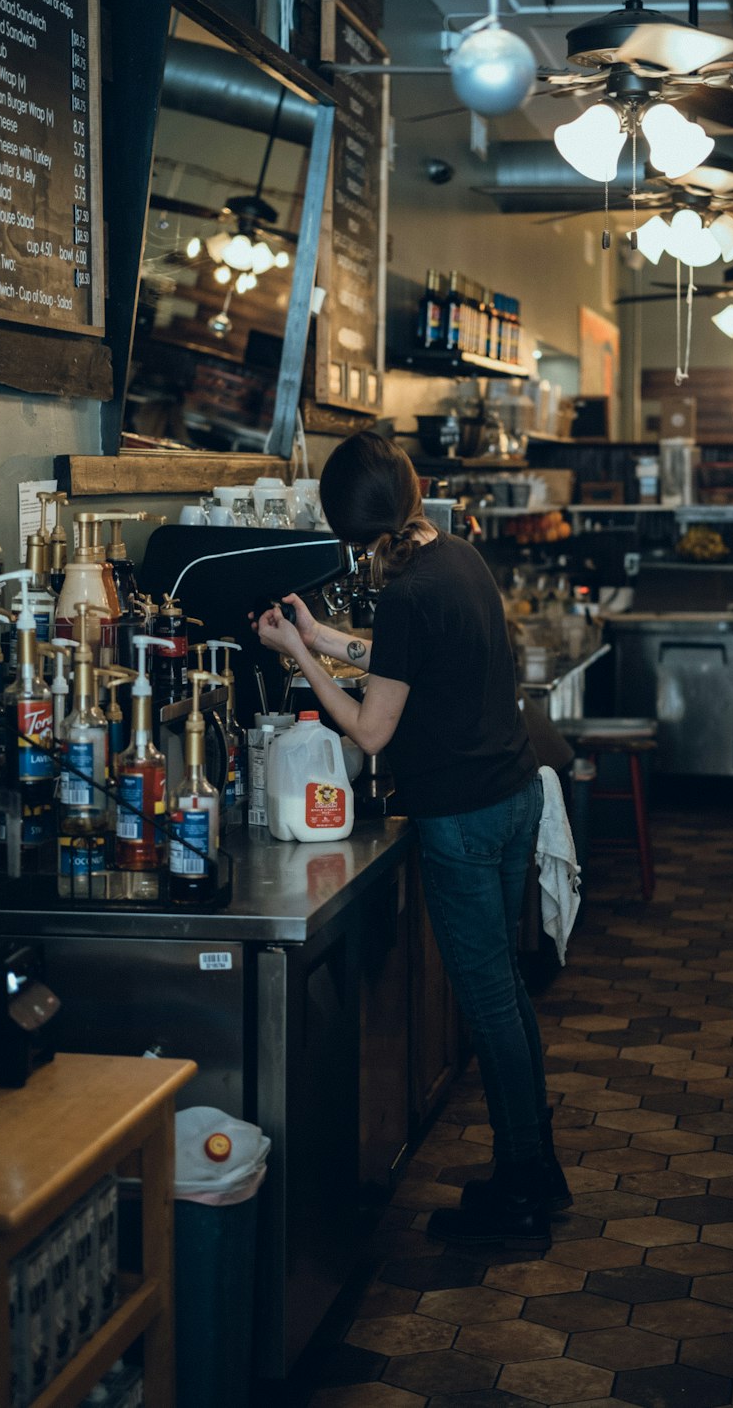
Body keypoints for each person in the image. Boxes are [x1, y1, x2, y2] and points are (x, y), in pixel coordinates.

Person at [251, 431, 569, 1249]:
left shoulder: (405, 595)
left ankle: (522, 1192)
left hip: (461, 818)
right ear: (412, 489)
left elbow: (370, 731)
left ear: (345, 528)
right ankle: (539, 1168)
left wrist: (296, 654)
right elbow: (401, 658)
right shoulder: (455, 558)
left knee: (490, 1002)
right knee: (507, 994)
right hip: (511, 796)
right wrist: (324, 637)